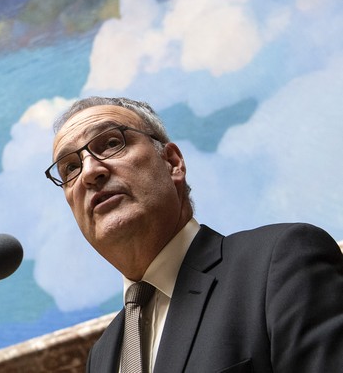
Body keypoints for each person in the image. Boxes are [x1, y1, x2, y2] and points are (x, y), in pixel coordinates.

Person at [47, 96, 343, 373]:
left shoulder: (279, 262)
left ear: (173, 163)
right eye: (70, 167)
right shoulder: (103, 356)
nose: (89, 172)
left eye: (111, 143)